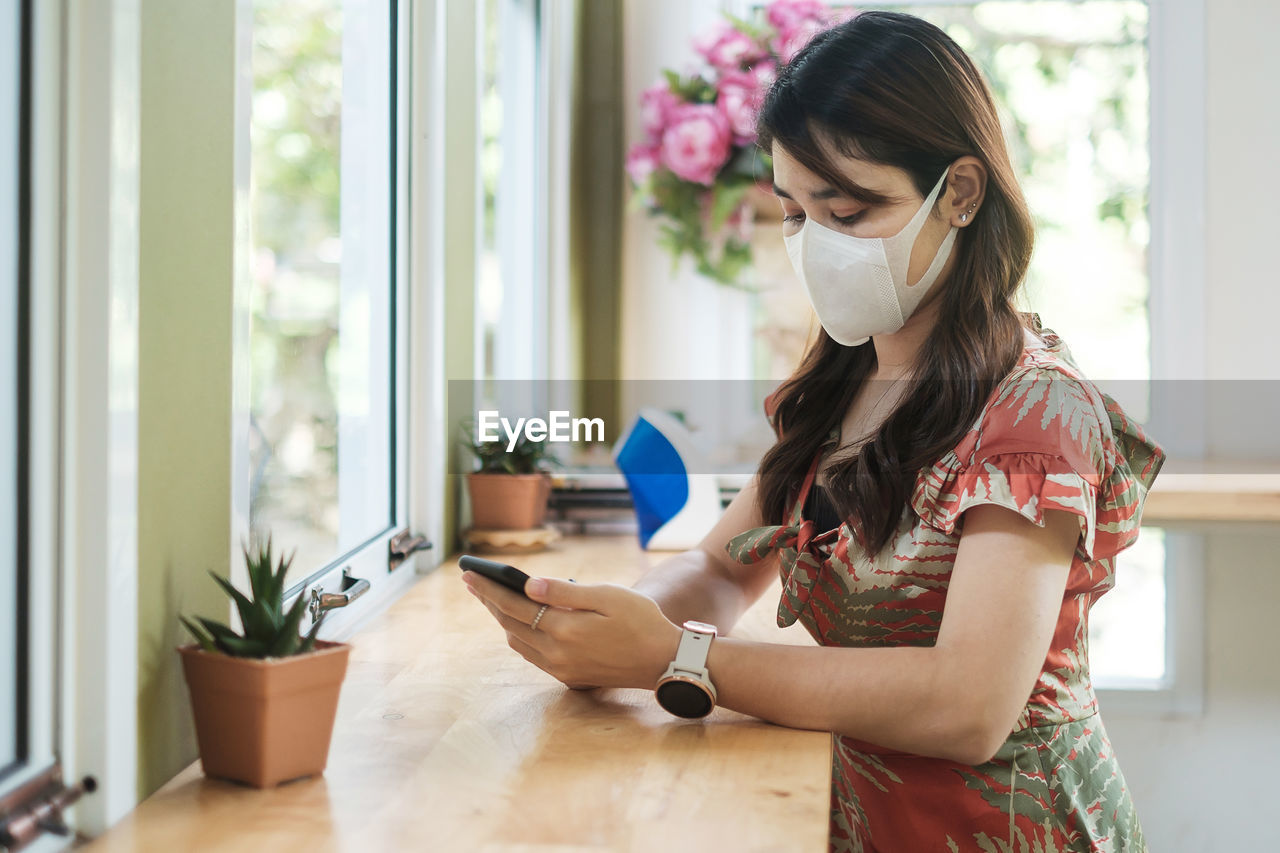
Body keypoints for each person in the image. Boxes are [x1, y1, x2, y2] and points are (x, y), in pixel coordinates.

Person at [462, 10, 1163, 852]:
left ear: (962, 194)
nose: (814, 245)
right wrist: (613, 627)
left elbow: (968, 705)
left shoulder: (1035, 417)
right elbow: (722, 566)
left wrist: (679, 660)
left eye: (847, 211)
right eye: (795, 213)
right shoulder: (841, 380)